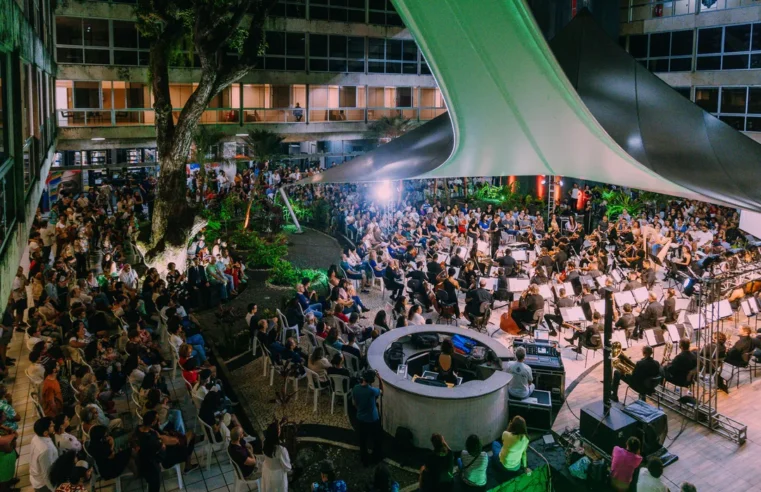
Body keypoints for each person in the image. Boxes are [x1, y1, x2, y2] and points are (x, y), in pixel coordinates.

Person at [136, 411, 198, 492]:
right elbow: (173, 441)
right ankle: (188, 465)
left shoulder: (139, 429)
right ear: (153, 422)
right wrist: (163, 437)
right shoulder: (152, 438)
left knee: (185, 437)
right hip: (164, 460)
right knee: (188, 441)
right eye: (157, 419)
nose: (159, 421)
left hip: (152, 457)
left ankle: (187, 462)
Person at [352, 370, 383, 465]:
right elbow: (381, 391)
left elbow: (354, 403)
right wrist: (380, 378)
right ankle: (375, 459)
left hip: (360, 418)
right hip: (372, 419)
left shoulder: (356, 388)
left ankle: (364, 459)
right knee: (375, 439)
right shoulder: (371, 391)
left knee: (362, 440)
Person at [491, 416, 530, 480]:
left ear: (512, 425)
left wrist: (508, 428)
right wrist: (525, 467)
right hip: (516, 467)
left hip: (503, 465)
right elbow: (524, 454)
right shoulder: (526, 439)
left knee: (495, 443)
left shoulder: (505, 434)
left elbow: (504, 440)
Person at [260, 421, 292, 491]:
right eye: (279, 429)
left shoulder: (264, 442)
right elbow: (287, 467)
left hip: (266, 470)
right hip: (277, 475)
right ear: (277, 433)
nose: (280, 430)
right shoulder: (281, 450)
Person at [30, 417, 59, 492]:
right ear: (45, 432)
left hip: (37, 478)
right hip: (43, 485)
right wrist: (53, 489)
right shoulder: (45, 450)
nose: (54, 425)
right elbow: (46, 474)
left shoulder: (36, 437)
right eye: (52, 426)